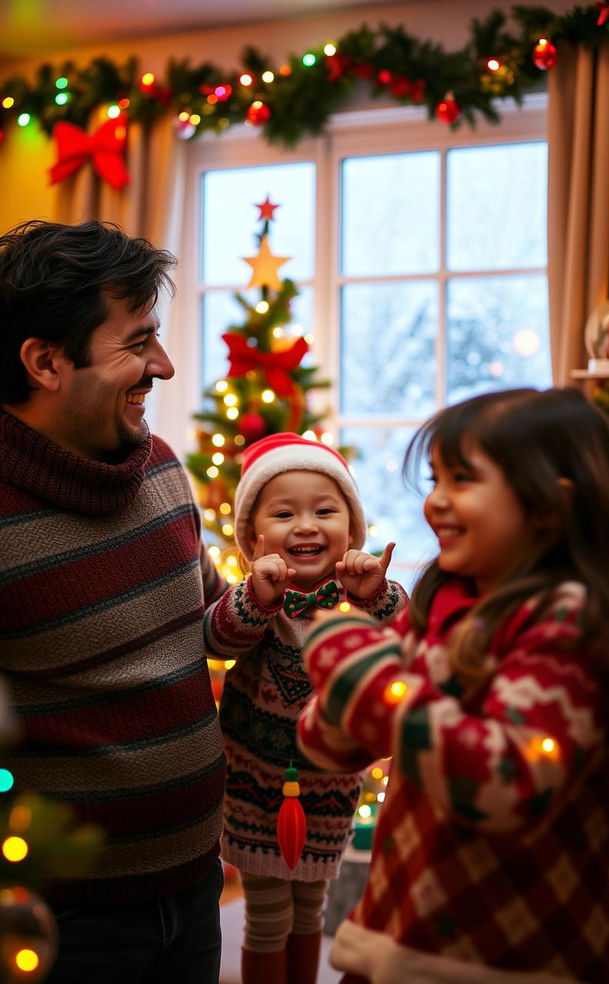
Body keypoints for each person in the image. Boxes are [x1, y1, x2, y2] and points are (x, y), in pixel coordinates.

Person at [298, 387, 609, 984]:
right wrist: (348, 693)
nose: (437, 502)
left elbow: (506, 781)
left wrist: (356, 666)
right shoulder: (445, 602)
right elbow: (328, 748)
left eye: (463, 480)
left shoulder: (571, 619)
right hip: (397, 937)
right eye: (435, 480)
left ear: (547, 507)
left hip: (511, 958)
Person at [0, 219, 228, 984]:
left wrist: (288, 602)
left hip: (198, 885)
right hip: (68, 922)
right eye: (136, 343)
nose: (162, 365)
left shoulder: (162, 469)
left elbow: (209, 628)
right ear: (45, 362)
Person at [205, 432, 408, 984]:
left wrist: (375, 596)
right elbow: (218, 639)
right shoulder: (257, 596)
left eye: (324, 510)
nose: (306, 525)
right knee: (268, 918)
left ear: (352, 528)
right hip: (254, 786)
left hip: (330, 790)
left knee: (310, 912)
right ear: (254, 535)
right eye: (284, 513)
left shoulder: (360, 596)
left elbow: (406, 643)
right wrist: (257, 598)